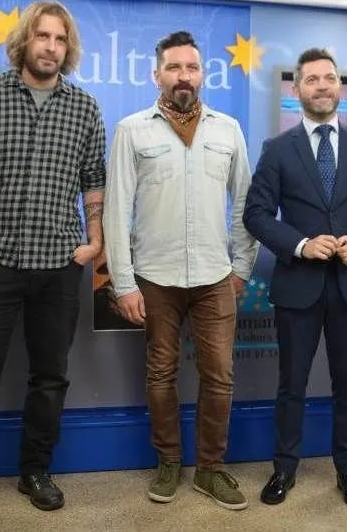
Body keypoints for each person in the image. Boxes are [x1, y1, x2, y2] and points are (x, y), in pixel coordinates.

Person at [0, 0, 106, 531]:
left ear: (67, 48)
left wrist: (95, 238)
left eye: (60, 39)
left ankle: (35, 471)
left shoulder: (84, 107)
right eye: (43, 36)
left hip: (58, 265)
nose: (51, 47)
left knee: (50, 378)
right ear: (25, 41)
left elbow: (94, 179)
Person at [103, 30, 259, 510]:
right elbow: (116, 209)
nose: (183, 76)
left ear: (202, 74)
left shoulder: (227, 129)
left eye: (191, 67)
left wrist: (241, 267)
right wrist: (123, 282)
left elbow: (245, 204)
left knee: (220, 377)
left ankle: (210, 469)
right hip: (155, 277)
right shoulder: (132, 130)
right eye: (174, 67)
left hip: (215, 277)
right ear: (157, 75)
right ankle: (168, 461)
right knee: (161, 373)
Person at [243, 47, 347, 509]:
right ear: (297, 90)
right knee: (291, 385)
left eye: (329, 78)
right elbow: (256, 214)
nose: (322, 86)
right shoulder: (277, 149)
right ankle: (284, 469)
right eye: (311, 80)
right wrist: (301, 244)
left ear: (340, 85)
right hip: (298, 285)